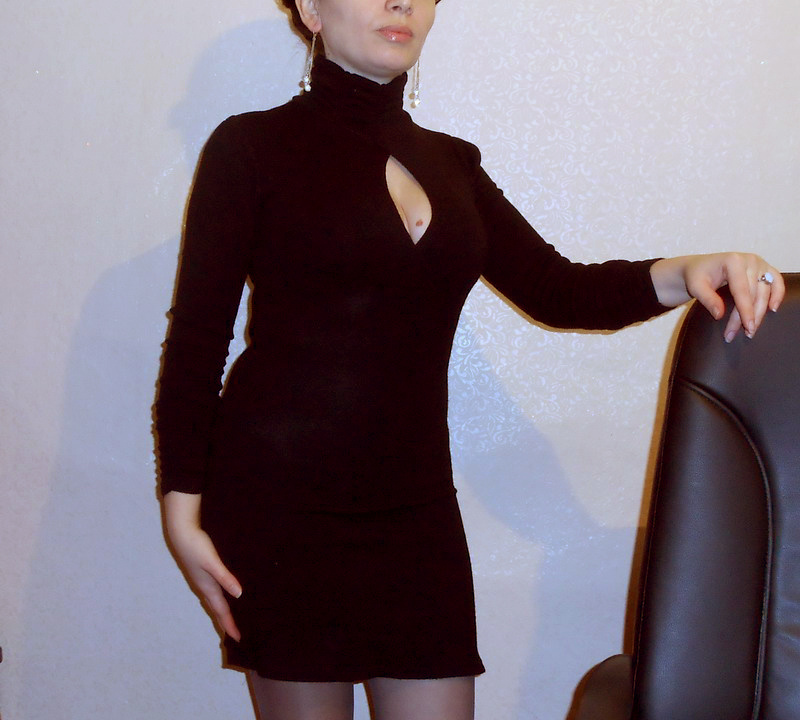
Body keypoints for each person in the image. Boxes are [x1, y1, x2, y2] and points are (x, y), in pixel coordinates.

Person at [154, 1, 785, 718]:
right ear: (310, 8)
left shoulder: (453, 163)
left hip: (415, 514)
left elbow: (559, 290)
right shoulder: (250, 148)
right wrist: (181, 512)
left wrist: (692, 270)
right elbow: (197, 341)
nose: (402, 1)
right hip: (279, 511)